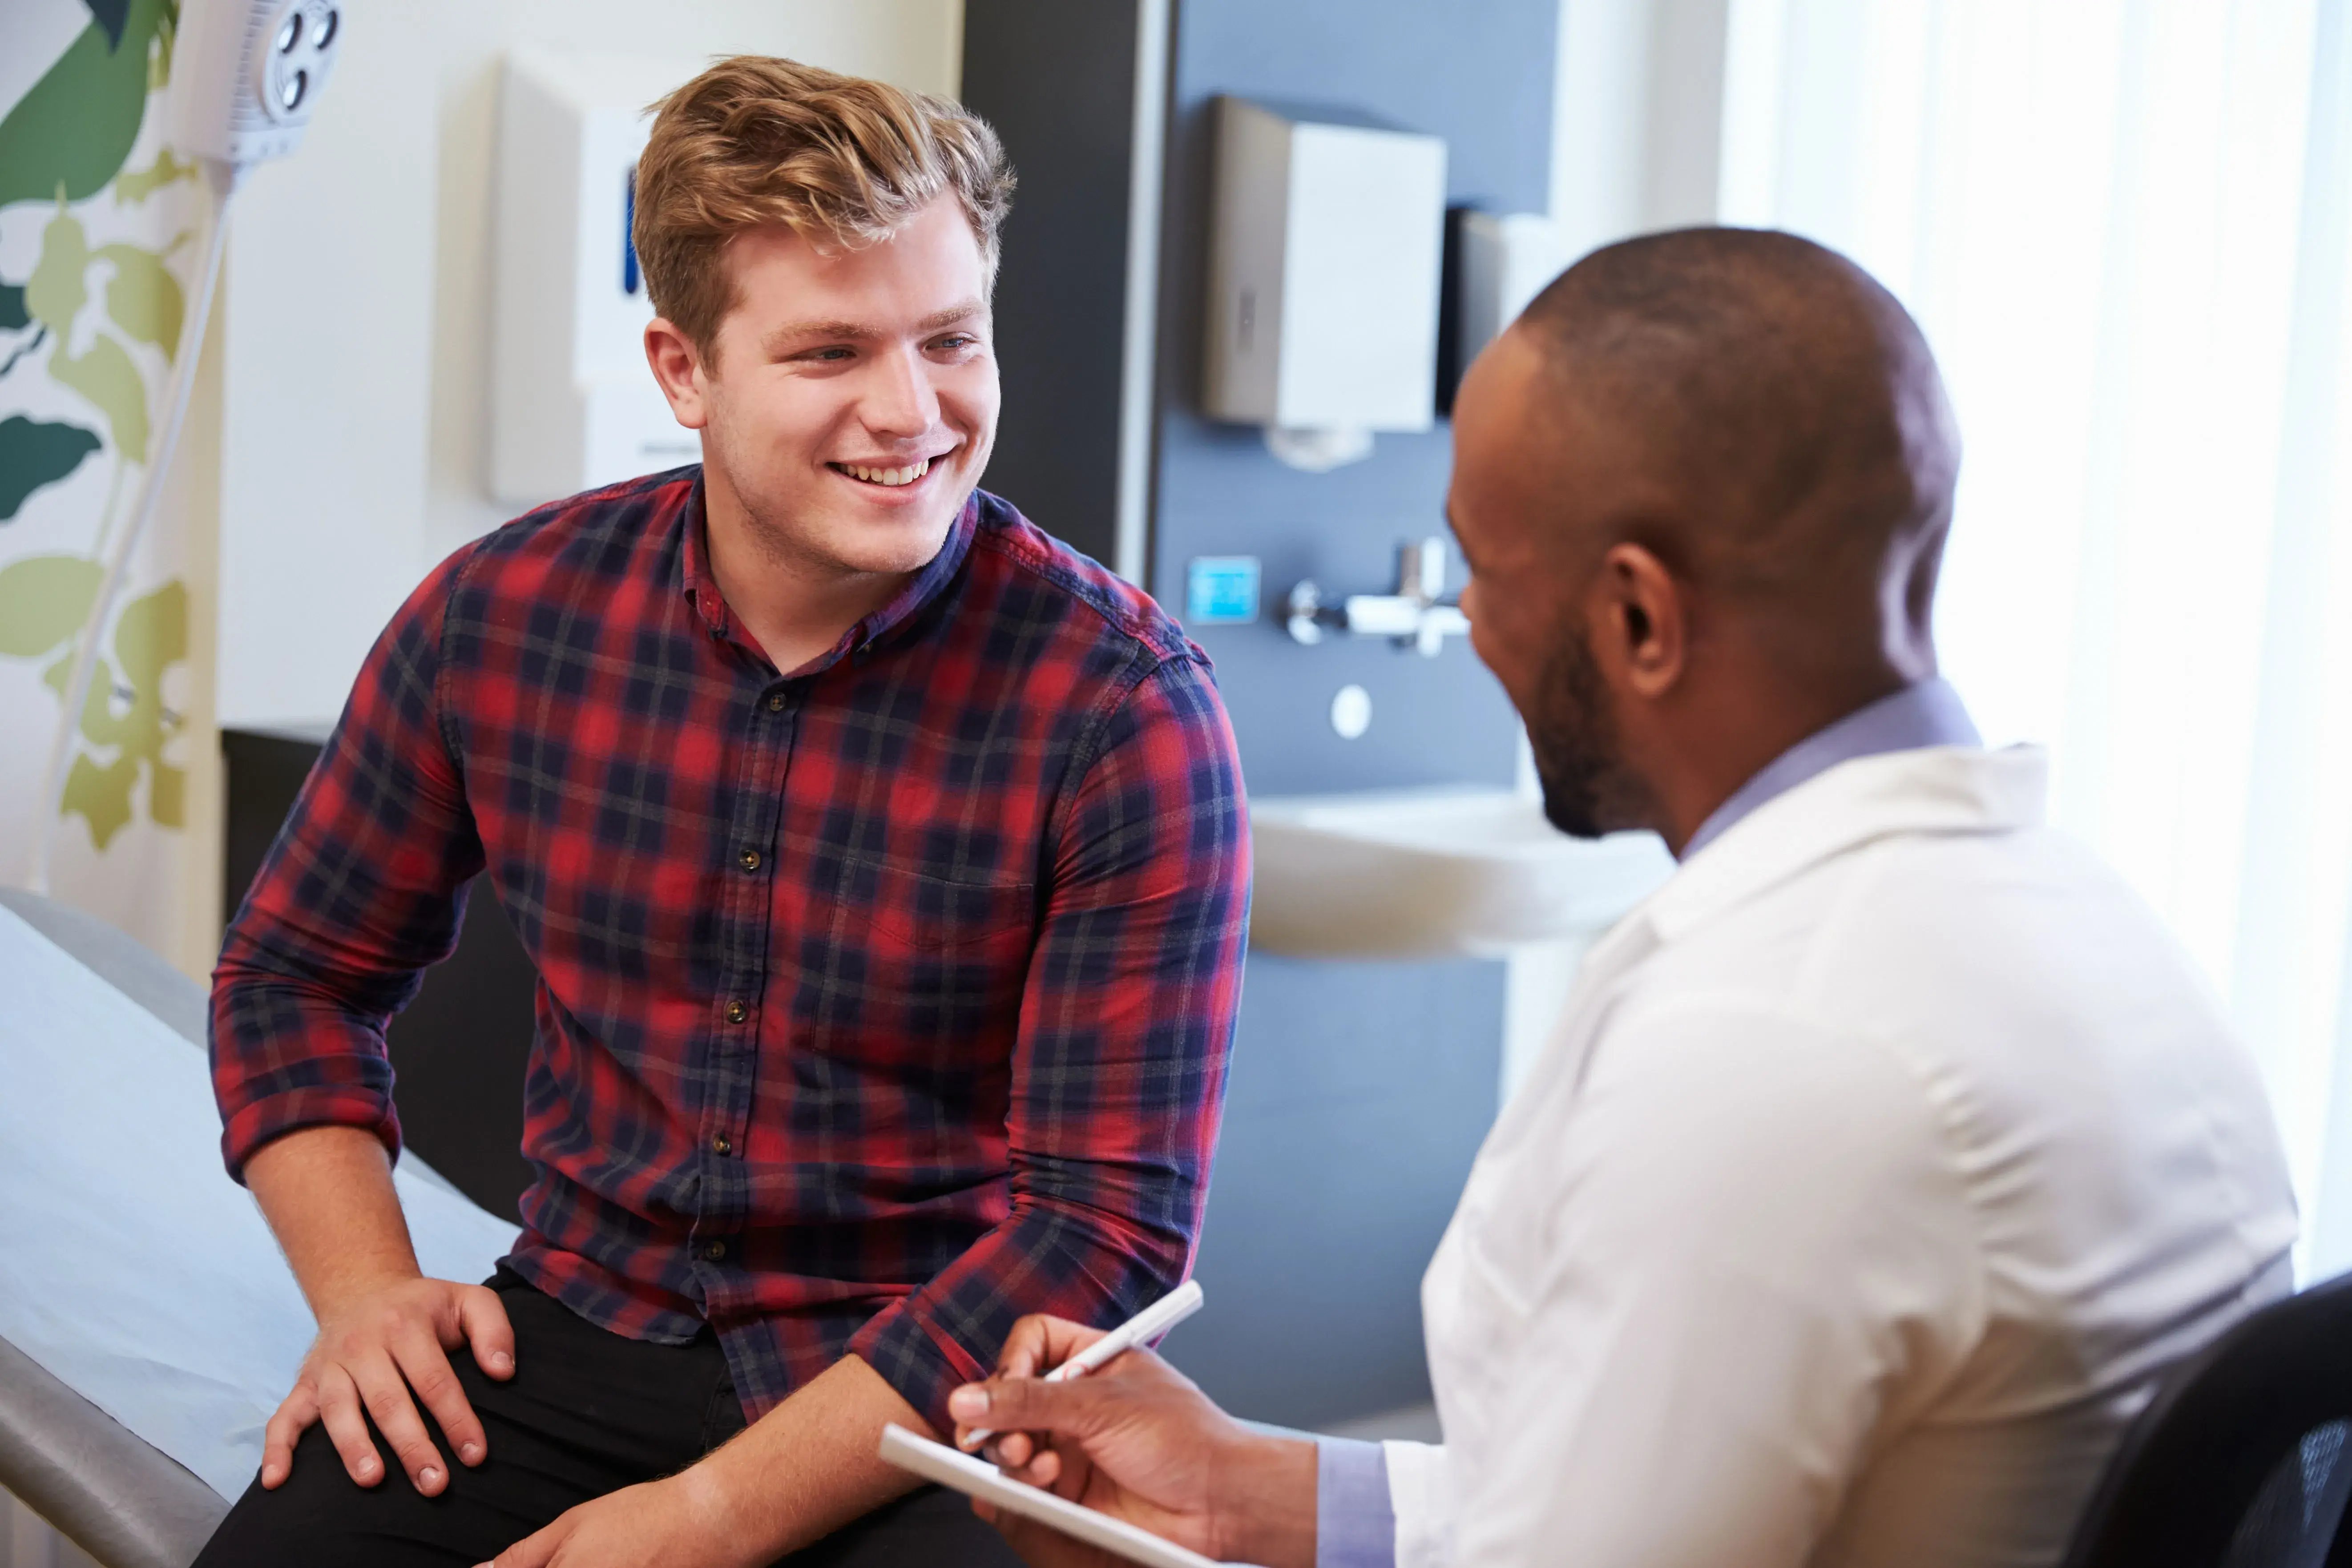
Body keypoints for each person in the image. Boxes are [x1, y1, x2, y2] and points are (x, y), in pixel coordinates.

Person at [942, 229, 2300, 1568]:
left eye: (1482, 565)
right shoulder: (2093, 933)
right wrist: (1245, 1494)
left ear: (1641, 620)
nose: (1468, 621)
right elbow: (1656, 1496)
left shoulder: (1773, 1041)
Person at [194, 56, 1249, 1568]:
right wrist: (366, 1297)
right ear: (682, 372)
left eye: (953, 339)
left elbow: (1103, 1231)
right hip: (567, 1335)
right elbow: (293, 977)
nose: (914, 413)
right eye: (832, 353)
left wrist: (706, 1519)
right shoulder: (503, 620)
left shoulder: (1124, 710)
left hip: (937, 1391)